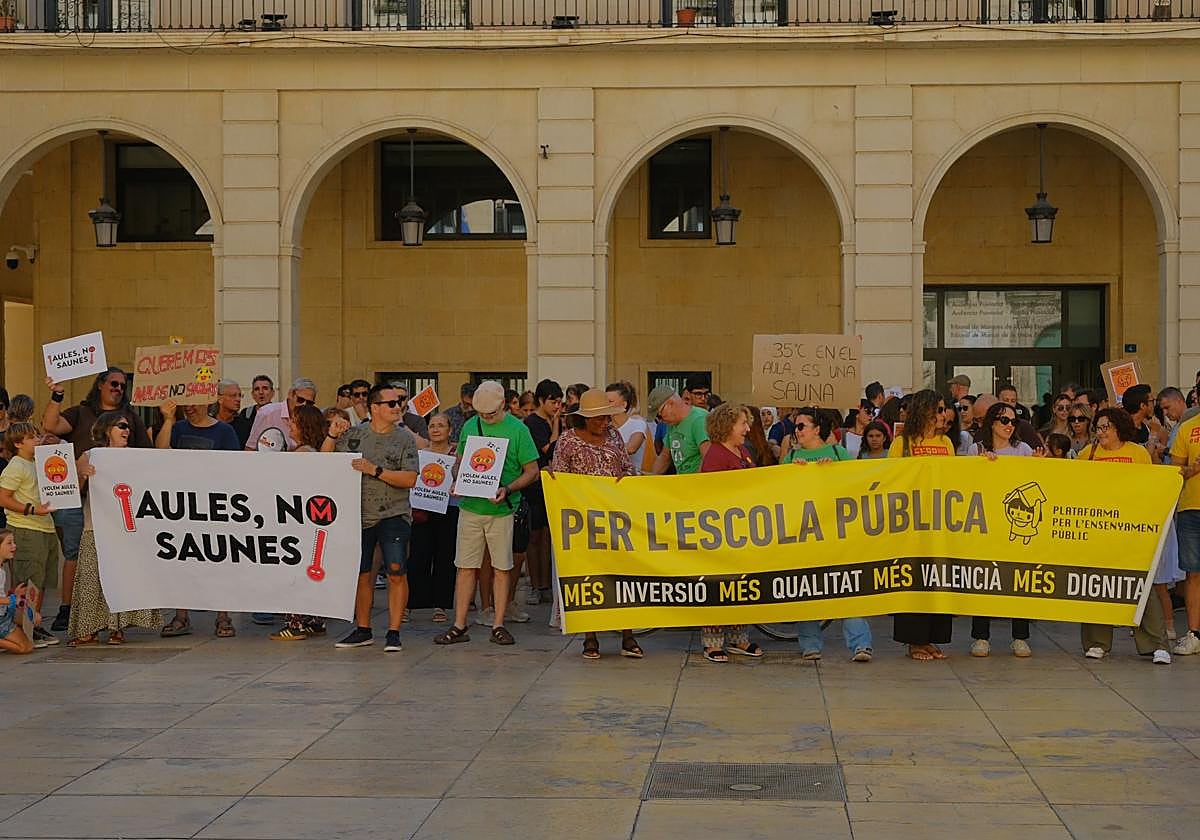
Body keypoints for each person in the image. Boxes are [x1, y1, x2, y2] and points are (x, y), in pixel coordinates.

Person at [41, 368, 152, 632]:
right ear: (100, 384)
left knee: (111, 559)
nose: (118, 389)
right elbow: (50, 425)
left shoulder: (130, 417)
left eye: (122, 385)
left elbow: (148, 457)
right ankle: (68, 611)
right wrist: (57, 394)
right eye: (113, 383)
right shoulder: (80, 412)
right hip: (77, 499)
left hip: (115, 504)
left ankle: (113, 620)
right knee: (75, 555)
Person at [434, 381, 539, 647]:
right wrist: (457, 479)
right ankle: (459, 624)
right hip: (471, 507)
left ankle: (498, 623)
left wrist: (507, 488)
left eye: (490, 414)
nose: (485, 418)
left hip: (502, 509)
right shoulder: (471, 426)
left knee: (502, 567)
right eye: (481, 413)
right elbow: (459, 462)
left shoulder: (518, 430)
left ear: (503, 405)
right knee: (465, 567)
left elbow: (532, 471)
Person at [322, 385, 419, 652]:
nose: (397, 407)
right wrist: (332, 434)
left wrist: (375, 470)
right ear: (374, 408)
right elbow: (324, 460)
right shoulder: (354, 435)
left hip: (394, 513)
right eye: (390, 404)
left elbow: (410, 478)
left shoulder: (405, 439)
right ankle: (363, 629)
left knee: (397, 571)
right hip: (359, 514)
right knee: (363, 573)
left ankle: (394, 632)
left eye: (399, 402)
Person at [548, 389, 641, 660]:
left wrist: (627, 480)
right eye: (599, 418)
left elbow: (626, 467)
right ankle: (590, 638)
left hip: (615, 518)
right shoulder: (567, 441)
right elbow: (560, 479)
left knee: (622, 574)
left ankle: (628, 635)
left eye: (607, 417)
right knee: (588, 577)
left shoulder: (614, 436)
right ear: (585, 419)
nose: (605, 422)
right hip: (582, 521)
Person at [1078, 408, 1171, 663]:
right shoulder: (1088, 454)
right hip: (1097, 531)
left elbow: (1149, 489)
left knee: (1142, 585)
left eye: (1106, 427)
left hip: (1131, 532)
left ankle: (1156, 643)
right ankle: (1097, 642)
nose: (1101, 432)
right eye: (1098, 427)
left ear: (1119, 427)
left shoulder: (1137, 453)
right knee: (1095, 584)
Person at [782, 407, 872, 662]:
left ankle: (861, 644)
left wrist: (834, 472)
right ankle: (810, 643)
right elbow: (779, 493)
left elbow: (855, 486)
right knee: (806, 587)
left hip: (836, 533)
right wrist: (792, 473)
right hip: (804, 534)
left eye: (801, 426)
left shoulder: (838, 453)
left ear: (816, 429)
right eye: (795, 427)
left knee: (847, 587)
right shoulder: (790, 458)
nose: (796, 432)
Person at [67, 412, 162, 646]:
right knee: (91, 579)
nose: (126, 430)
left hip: (125, 530)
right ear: (106, 429)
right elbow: (73, 492)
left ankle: (116, 628)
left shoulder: (133, 459)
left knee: (121, 579)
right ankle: (88, 629)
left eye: (128, 427)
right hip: (95, 527)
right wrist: (82, 474)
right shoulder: (89, 456)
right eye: (121, 426)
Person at [157, 399, 242, 638]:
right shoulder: (178, 428)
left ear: (208, 403)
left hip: (214, 506)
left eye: (194, 403)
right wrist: (168, 419)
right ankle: (181, 616)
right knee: (183, 559)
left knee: (220, 560)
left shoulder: (224, 431)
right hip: (183, 506)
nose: (189, 407)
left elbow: (236, 467)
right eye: (186, 404)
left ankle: (223, 616)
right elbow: (160, 453)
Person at [889, 390, 956, 661]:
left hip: (940, 522)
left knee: (937, 580)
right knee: (915, 580)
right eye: (939, 409)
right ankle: (914, 641)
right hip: (912, 524)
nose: (944, 414)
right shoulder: (901, 444)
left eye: (944, 410)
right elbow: (892, 479)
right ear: (925, 411)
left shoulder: (947, 443)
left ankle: (931, 638)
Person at [966, 401, 1034, 657]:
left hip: (1017, 523)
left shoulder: (1023, 449)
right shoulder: (976, 449)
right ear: (991, 423)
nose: (1009, 426)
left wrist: (1040, 464)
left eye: (1013, 421)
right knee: (983, 578)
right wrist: (982, 466)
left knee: (1019, 579)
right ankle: (981, 636)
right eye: (1004, 420)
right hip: (986, 522)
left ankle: (1020, 636)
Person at [697, 403, 764, 662]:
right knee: (719, 585)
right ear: (727, 426)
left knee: (741, 584)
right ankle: (712, 641)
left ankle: (738, 636)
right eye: (743, 424)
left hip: (744, 532)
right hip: (722, 532)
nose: (748, 428)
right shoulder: (716, 455)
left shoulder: (743, 451)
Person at [269, 404, 334, 641]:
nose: (289, 425)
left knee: (292, 573)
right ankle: (314, 620)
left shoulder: (302, 453)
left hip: (296, 523)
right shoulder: (312, 450)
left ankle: (294, 623)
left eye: (293, 422)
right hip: (311, 521)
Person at [0, 423, 58, 648]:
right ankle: (25, 626)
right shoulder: (16, 466)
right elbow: (3, 497)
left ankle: (33, 623)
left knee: (40, 581)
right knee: (28, 579)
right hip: (26, 527)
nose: (37, 440)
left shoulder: (37, 463)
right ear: (17, 443)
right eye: (31, 438)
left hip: (44, 526)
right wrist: (32, 510)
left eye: (37, 436)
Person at [407, 413, 459, 623]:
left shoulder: (458, 454)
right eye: (432, 426)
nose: (436, 429)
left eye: (441, 426)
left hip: (450, 509)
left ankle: (441, 605)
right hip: (423, 510)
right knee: (418, 556)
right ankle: (410, 603)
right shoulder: (419, 454)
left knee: (445, 558)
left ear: (449, 430)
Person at [523, 379, 563, 606]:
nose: (557, 406)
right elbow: (551, 449)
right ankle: (535, 584)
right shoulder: (533, 423)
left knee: (550, 536)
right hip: (534, 487)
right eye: (553, 402)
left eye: (559, 402)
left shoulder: (554, 420)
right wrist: (556, 425)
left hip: (553, 486)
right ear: (541, 401)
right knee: (535, 536)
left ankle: (548, 584)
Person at [1169, 398, 1200, 656]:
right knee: (1193, 574)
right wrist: (1193, 468)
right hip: (1191, 509)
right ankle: (1194, 633)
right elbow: (1175, 471)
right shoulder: (1187, 428)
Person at [648, 386, 710, 475]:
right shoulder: (672, 424)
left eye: (659, 415)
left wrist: (693, 483)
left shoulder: (699, 420)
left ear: (670, 403)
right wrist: (651, 478)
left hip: (697, 484)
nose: (660, 421)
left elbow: (707, 458)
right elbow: (664, 457)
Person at [244, 378, 318, 452]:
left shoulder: (312, 418)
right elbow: (250, 448)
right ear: (290, 394)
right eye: (300, 400)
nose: (304, 405)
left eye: (309, 403)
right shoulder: (268, 413)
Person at [0, 528, 35, 655]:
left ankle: (9, 634)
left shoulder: (2, 568)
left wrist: (14, 593)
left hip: (4, 612)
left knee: (35, 618)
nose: (14, 546)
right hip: (2, 615)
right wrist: (13, 600)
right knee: (25, 648)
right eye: (9, 543)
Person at [606, 380, 648, 472]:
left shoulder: (637, 424)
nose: (606, 405)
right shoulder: (605, 427)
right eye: (605, 402)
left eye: (610, 402)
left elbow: (631, 448)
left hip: (631, 479)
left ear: (624, 404)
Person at [213, 379, 254, 448]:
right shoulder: (208, 424)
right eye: (233, 395)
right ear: (219, 399)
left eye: (240, 395)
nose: (238, 399)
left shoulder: (246, 426)